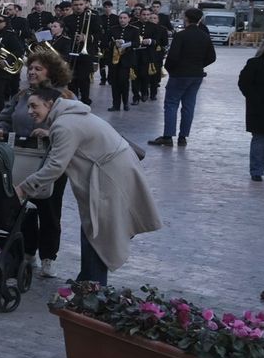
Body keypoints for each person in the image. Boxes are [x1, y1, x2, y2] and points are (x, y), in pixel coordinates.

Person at [15, 86, 161, 282]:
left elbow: (55, 167)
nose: (29, 111)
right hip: (118, 172)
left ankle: (91, 288)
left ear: (49, 104)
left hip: (110, 178)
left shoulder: (63, 125)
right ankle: (87, 283)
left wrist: (24, 188)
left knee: (97, 234)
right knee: (95, 232)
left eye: (34, 106)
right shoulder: (69, 116)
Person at [0, 50, 74, 277]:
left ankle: (48, 256)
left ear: (51, 71)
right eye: (31, 68)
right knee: (22, 208)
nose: (32, 72)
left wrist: (49, 131)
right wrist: (0, 129)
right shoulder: (22, 94)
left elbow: (73, 125)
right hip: (22, 158)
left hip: (52, 160)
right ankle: (28, 252)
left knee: (49, 209)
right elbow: (6, 117)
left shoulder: (65, 96)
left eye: (38, 68)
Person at [151, 8, 217, 147]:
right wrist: (199, 65)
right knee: (189, 106)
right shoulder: (204, 36)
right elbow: (212, 57)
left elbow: (172, 57)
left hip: (179, 75)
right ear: (199, 20)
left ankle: (168, 136)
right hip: (196, 75)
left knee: (171, 104)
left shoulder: (181, 36)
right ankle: (183, 137)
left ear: (186, 18)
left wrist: (171, 70)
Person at [241, 38, 264, 181]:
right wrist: (254, 99)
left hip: (257, 106)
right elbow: (244, 83)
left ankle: (258, 168)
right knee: (260, 138)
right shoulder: (254, 64)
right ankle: (257, 170)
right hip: (259, 107)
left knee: (260, 139)